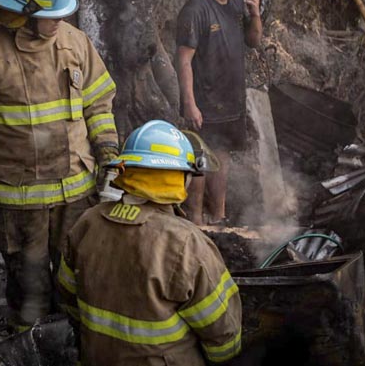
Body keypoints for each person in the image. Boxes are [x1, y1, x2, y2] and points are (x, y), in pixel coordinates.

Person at [0, 0, 120, 331]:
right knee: (30, 292)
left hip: (77, 193)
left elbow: (98, 104)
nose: (61, 20)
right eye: (52, 14)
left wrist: (108, 151)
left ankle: (75, 346)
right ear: (22, 15)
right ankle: (30, 346)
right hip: (20, 199)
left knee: (80, 281)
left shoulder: (75, 43)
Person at [57, 119, 243, 365]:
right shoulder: (186, 243)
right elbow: (223, 338)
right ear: (181, 178)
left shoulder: (86, 224)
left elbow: (68, 302)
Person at [176, 0, 263, 226]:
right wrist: (189, 102)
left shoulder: (238, 3)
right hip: (204, 101)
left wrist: (256, 15)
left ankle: (220, 216)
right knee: (200, 161)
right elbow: (184, 60)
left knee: (222, 157)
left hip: (231, 99)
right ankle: (197, 221)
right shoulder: (196, 9)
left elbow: (254, 41)